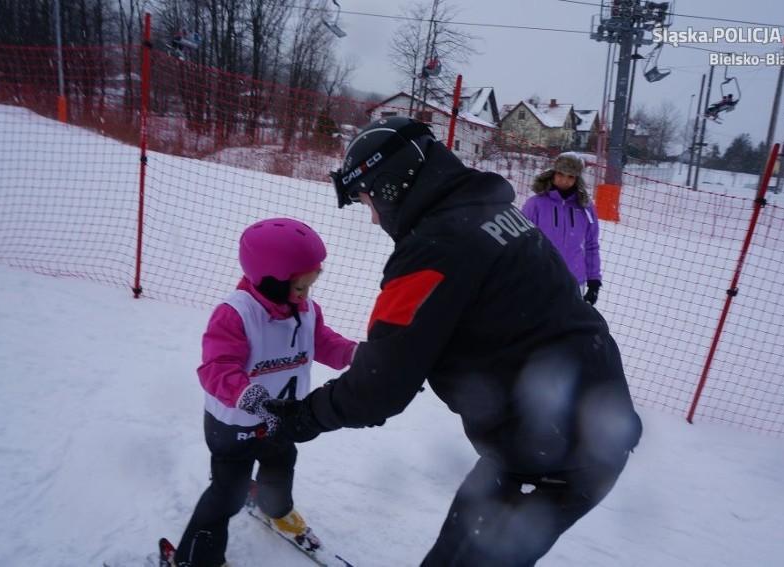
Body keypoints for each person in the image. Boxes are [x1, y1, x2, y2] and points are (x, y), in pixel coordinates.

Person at [263, 117, 643, 565]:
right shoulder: (493, 212)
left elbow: (378, 389)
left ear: (391, 185)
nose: (372, 215)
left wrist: (301, 418)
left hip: (553, 455)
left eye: (368, 200)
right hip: (562, 430)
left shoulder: (435, 249)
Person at [171, 218, 357, 567]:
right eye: (300, 288)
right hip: (235, 424)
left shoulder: (306, 310)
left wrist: (356, 355)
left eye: (308, 287)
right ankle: (196, 559)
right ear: (272, 282)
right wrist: (254, 399)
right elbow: (217, 368)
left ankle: (275, 507)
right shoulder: (237, 314)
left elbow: (324, 342)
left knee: (281, 463)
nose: (305, 296)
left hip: (284, 416)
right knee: (228, 492)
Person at [521, 152, 603, 305]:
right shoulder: (535, 204)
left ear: (577, 179)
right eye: (561, 174)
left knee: (567, 326)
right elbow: (522, 242)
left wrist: (594, 282)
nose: (564, 180)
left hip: (574, 280)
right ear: (553, 174)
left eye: (571, 176)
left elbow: (591, 245)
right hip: (541, 277)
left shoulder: (585, 207)